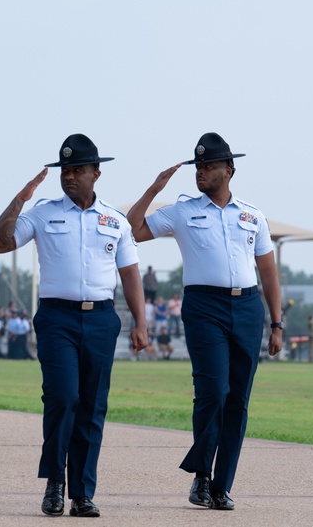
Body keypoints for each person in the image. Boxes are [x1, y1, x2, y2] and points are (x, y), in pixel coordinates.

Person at [0, 133, 147, 518]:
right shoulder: (43, 212)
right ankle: (55, 482)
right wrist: (19, 200)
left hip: (101, 318)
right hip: (57, 317)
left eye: (77, 170)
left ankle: (83, 492)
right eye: (65, 170)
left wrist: (140, 322)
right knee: (62, 398)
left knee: (92, 406)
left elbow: (130, 273)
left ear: (96, 173)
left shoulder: (115, 221)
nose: (69, 176)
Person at [127, 132, 282, 511]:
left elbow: (268, 271)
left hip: (247, 308)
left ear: (228, 170)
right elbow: (131, 231)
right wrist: (153, 189)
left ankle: (221, 485)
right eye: (198, 166)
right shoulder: (182, 211)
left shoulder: (252, 215)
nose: (201, 172)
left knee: (238, 401)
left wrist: (277, 323)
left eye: (209, 165)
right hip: (204, 307)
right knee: (214, 393)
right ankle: (201, 475)